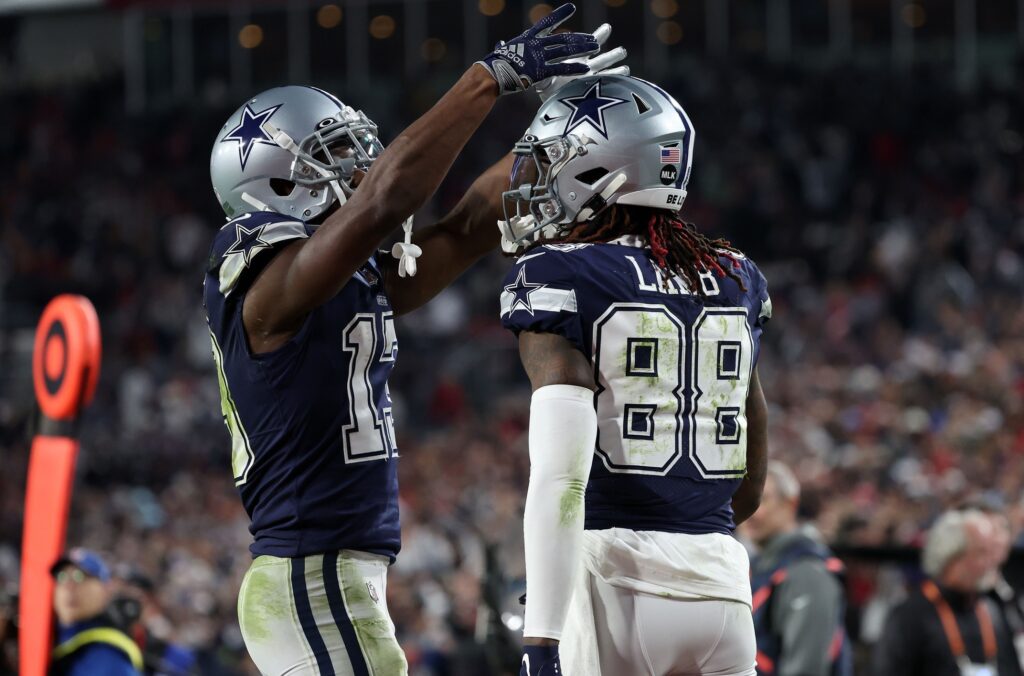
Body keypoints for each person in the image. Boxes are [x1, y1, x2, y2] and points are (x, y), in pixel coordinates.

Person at [203, 5, 624, 673]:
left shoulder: (337, 284)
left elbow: (463, 229)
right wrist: (488, 78)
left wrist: (563, 139)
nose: (360, 165)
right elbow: (384, 201)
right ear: (277, 182)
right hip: (309, 577)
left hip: (333, 576)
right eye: (335, 153)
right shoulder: (264, 290)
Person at [498, 74, 770, 676]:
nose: (536, 184)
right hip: (721, 586)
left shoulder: (561, 273)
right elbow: (750, 481)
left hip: (611, 583)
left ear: (602, 169)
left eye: (552, 165)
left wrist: (542, 639)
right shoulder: (736, 274)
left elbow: (561, 481)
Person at [872, 509, 1022, 676]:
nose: (990, 562)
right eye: (980, 552)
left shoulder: (992, 612)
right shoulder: (910, 616)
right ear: (952, 556)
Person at [742, 461, 851, 676]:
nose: (751, 511)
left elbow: (806, 669)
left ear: (790, 504)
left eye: (762, 500)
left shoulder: (806, 571)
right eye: (742, 501)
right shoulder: (762, 565)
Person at [50, 548, 143, 676]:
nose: (68, 587)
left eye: (79, 576)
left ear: (105, 590)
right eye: (62, 577)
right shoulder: (48, 637)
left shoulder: (106, 654)